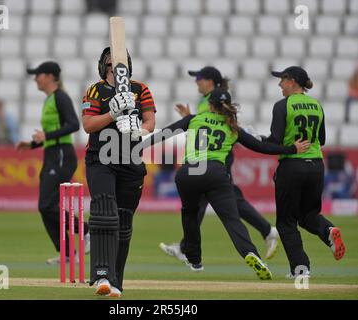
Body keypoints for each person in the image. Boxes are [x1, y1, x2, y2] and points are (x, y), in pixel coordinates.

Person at [141, 88, 310, 279]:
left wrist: (137, 147)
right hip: (215, 174)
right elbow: (262, 147)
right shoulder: (233, 127)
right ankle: (250, 252)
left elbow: (164, 134)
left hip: (188, 173)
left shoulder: (194, 119)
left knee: (190, 214)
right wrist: (292, 148)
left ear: (210, 104)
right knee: (231, 220)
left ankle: (195, 261)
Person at [160, 66, 280, 263]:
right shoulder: (206, 101)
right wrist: (188, 120)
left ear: (210, 81)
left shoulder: (214, 100)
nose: (196, 81)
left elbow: (229, 127)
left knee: (217, 199)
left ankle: (187, 247)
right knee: (223, 198)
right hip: (212, 157)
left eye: (199, 78)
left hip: (216, 157)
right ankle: (266, 231)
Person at [82, 47, 156, 298]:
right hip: (100, 159)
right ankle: (101, 274)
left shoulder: (140, 89)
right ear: (104, 67)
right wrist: (112, 113)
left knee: (123, 224)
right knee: (105, 212)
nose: (116, 70)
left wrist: (139, 130)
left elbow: (150, 122)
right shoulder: (96, 90)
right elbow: (88, 125)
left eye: (120, 65)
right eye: (112, 65)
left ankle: (116, 283)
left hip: (131, 162)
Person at [266, 66, 346, 278]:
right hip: (316, 166)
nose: (279, 84)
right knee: (309, 215)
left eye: (282, 80)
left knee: (286, 222)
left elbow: (275, 141)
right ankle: (328, 230)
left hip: (292, 165)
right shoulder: (317, 105)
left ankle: (301, 269)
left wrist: (260, 139)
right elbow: (322, 139)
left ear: (292, 81)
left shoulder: (282, 106)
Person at [16, 61, 90, 265]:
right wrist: (31, 144)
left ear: (49, 76)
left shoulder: (60, 97)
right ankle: (67, 254)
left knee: (47, 205)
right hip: (52, 155)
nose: (35, 79)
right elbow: (48, 136)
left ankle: (86, 231)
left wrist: (45, 135)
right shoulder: (49, 100)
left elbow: (74, 124)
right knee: (45, 206)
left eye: (38, 75)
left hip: (62, 155)